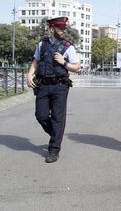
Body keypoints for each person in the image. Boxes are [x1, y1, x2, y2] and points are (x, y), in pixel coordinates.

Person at [26, 17, 80, 163]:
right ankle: (56, 135)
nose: (63, 30)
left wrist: (64, 62)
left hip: (60, 86)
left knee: (57, 118)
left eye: (64, 28)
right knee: (41, 115)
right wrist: (30, 74)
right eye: (60, 28)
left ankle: (54, 150)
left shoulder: (68, 47)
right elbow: (36, 61)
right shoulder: (42, 44)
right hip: (42, 86)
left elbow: (77, 67)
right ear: (51, 29)